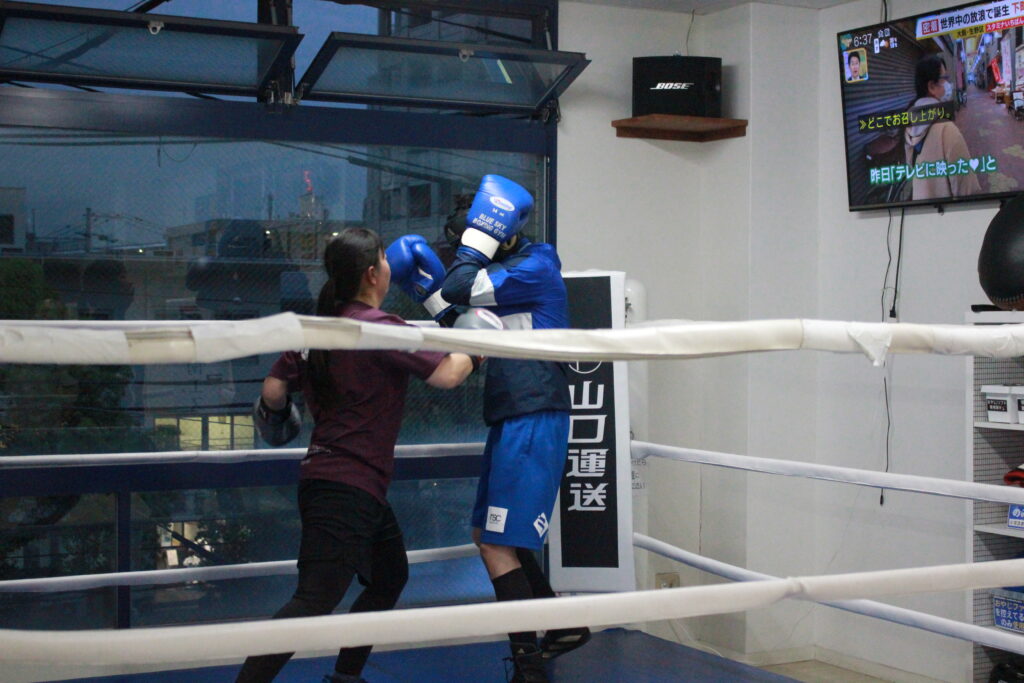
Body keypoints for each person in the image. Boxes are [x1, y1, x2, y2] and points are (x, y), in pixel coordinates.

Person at [235, 227, 478, 683]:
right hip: (346, 488)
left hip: (344, 483)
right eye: (384, 259)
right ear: (371, 273)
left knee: (389, 576)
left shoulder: (318, 328)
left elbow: (272, 390)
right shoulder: (380, 328)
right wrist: (481, 340)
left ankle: (346, 676)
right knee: (314, 600)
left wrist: (280, 417)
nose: (389, 266)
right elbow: (448, 374)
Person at [388, 176, 590, 683]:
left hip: (533, 412)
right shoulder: (505, 273)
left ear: (494, 230)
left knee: (498, 545)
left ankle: (527, 667)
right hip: (513, 413)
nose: (464, 251)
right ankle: (562, 624)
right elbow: (466, 325)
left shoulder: (534, 267)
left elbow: (460, 287)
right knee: (490, 535)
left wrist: (470, 249)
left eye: (472, 239)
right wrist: (431, 299)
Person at [903, 54, 981, 200]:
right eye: (945, 78)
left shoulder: (909, 126)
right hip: (946, 213)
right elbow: (967, 191)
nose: (949, 85)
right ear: (932, 86)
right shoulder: (946, 130)